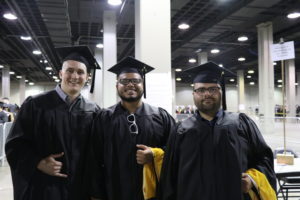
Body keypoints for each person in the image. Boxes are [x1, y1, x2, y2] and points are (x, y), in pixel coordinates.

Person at [159, 62, 276, 200]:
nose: (207, 94)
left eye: (213, 89)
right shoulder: (181, 130)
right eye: (201, 90)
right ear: (194, 94)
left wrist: (252, 179)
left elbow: (264, 159)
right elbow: (169, 178)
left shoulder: (241, 123)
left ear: (221, 91)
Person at [5, 45, 101, 200]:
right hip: (44, 188)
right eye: (69, 70)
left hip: (79, 189)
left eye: (80, 72)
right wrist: (38, 162)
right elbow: (14, 145)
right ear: (60, 73)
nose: (74, 76)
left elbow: (98, 153)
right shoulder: (35, 105)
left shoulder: (94, 110)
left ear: (87, 77)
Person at [88, 56, 175, 200]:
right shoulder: (104, 118)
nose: (130, 84)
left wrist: (154, 154)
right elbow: (94, 158)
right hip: (115, 191)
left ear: (143, 85)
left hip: (153, 192)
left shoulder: (161, 116)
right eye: (124, 81)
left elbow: (175, 151)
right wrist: (96, 194)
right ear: (117, 86)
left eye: (135, 80)